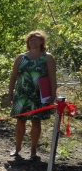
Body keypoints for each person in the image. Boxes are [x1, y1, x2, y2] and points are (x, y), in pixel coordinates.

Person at [8, 30, 57, 160]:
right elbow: (13, 76)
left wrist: (53, 95)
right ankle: (17, 147)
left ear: (42, 42)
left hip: (39, 94)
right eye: (30, 39)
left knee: (36, 121)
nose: (33, 41)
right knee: (20, 120)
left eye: (36, 39)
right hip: (22, 94)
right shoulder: (21, 57)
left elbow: (52, 78)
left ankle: (33, 150)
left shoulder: (47, 57)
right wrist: (10, 93)